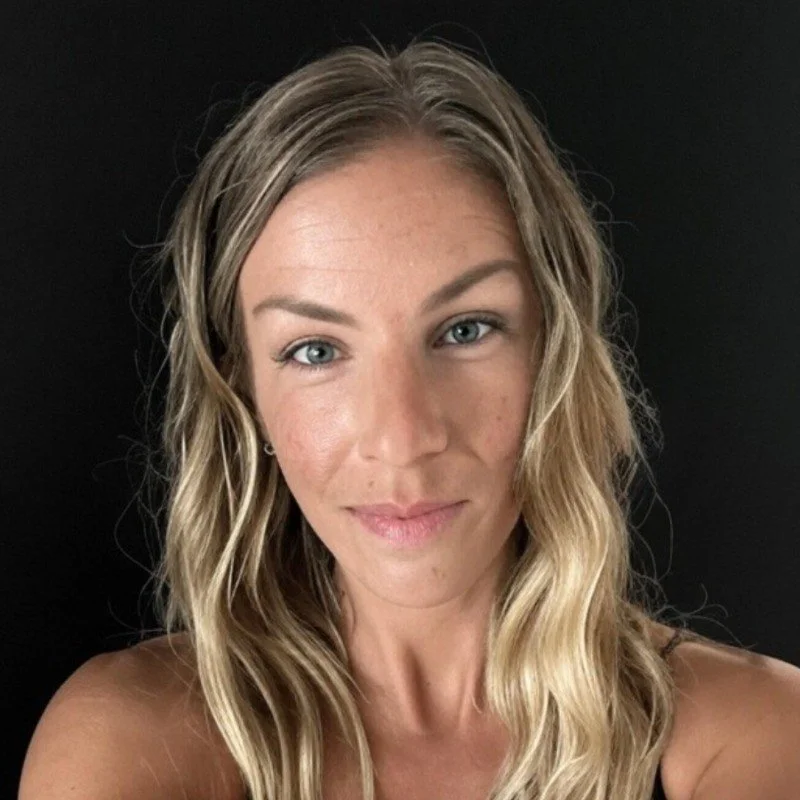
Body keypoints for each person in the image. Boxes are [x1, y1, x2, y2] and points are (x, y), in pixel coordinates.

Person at [18, 39, 800, 800]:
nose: (401, 436)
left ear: (554, 356)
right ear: (243, 393)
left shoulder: (758, 732)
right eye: (316, 350)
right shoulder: (131, 737)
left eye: (465, 330)